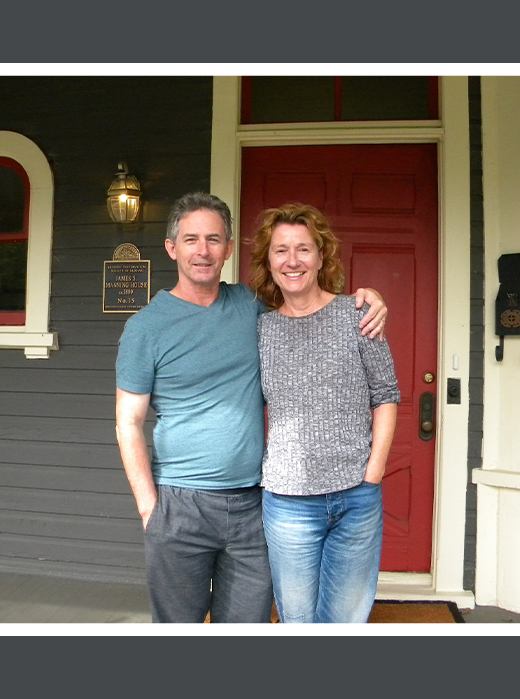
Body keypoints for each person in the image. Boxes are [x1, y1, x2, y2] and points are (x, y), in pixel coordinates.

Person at [114, 192, 387, 623]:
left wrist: (364, 297)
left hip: (252, 507)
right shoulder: (145, 328)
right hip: (180, 505)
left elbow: (308, 302)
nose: (202, 250)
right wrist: (150, 509)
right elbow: (127, 422)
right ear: (172, 248)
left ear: (227, 249)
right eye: (190, 239)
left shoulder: (251, 306)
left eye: (213, 239)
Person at [249, 203, 399, 623]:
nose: (292, 261)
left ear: (320, 256)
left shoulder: (357, 314)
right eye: (281, 250)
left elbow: (386, 394)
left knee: (345, 621)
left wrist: (374, 472)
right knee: (298, 620)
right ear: (268, 260)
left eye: (303, 249)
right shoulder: (260, 328)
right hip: (288, 502)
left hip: (356, 496)